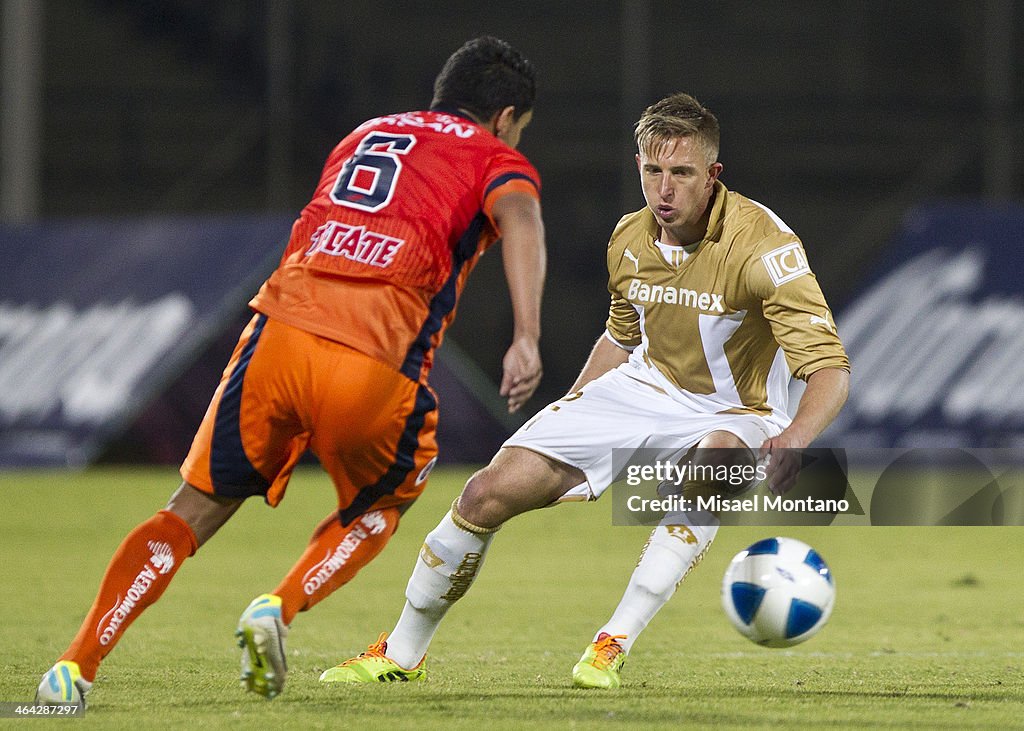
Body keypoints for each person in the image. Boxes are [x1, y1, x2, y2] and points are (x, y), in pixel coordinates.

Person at [35, 35, 545, 708]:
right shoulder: (496, 157)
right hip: (373, 354)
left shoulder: (366, 132)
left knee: (187, 511)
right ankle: (277, 606)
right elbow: (523, 217)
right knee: (380, 504)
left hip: (278, 333)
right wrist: (528, 335)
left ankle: (74, 665)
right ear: (506, 116)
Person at [321, 92, 849, 689]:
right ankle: (402, 651)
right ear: (639, 168)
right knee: (486, 493)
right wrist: (571, 413)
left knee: (718, 458)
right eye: (653, 171)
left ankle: (611, 643)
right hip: (644, 387)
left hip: (739, 407)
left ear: (713, 175)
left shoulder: (765, 248)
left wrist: (795, 437)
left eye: (682, 173)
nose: (665, 189)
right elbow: (622, 337)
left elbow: (829, 368)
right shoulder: (629, 240)